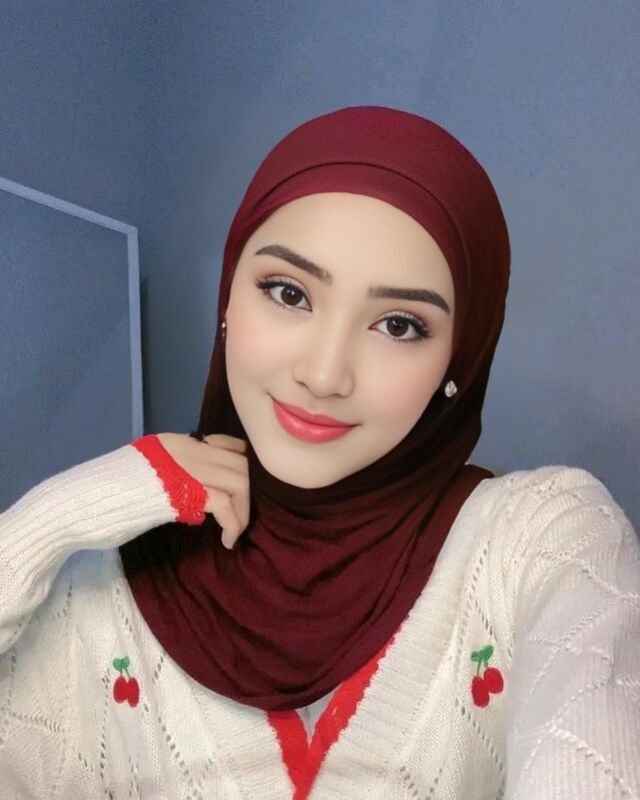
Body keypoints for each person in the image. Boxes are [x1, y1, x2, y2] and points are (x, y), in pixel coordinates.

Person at [0, 106, 638, 799]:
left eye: (399, 325)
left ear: (459, 361)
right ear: (227, 299)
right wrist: (52, 520)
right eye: (289, 292)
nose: (325, 374)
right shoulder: (98, 591)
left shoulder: (538, 542)